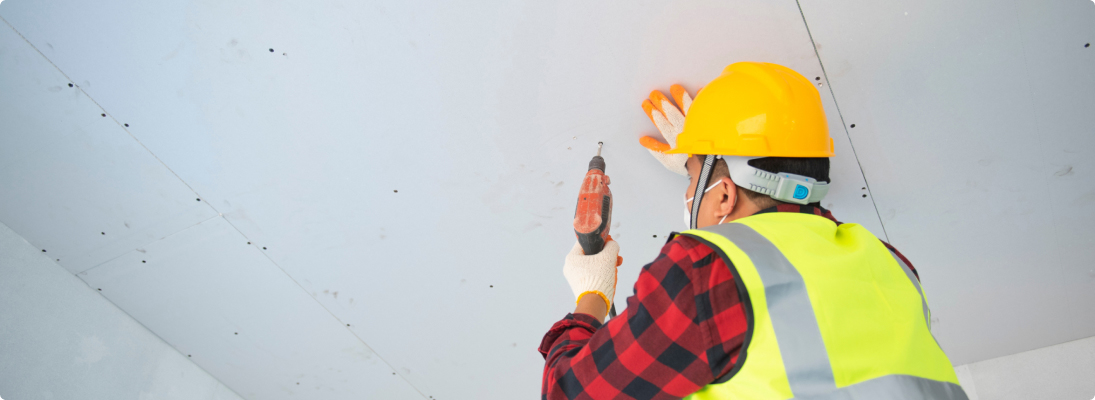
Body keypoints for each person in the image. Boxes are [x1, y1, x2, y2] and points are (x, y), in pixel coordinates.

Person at [540, 62, 968, 400]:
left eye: (690, 180)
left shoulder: (703, 271)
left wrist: (592, 295)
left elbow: (569, 392)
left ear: (725, 196)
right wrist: (708, 168)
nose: (688, 191)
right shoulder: (889, 262)